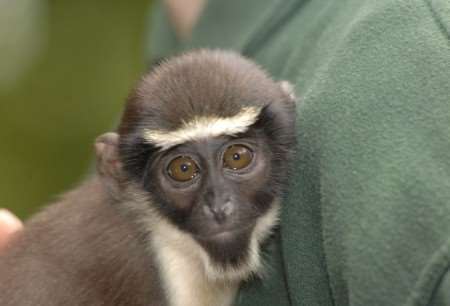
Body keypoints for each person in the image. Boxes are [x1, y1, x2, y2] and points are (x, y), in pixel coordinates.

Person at [147, 0, 450, 305]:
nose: (217, 205)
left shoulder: (396, 54)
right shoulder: (149, 106)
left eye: (238, 157)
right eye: (182, 169)